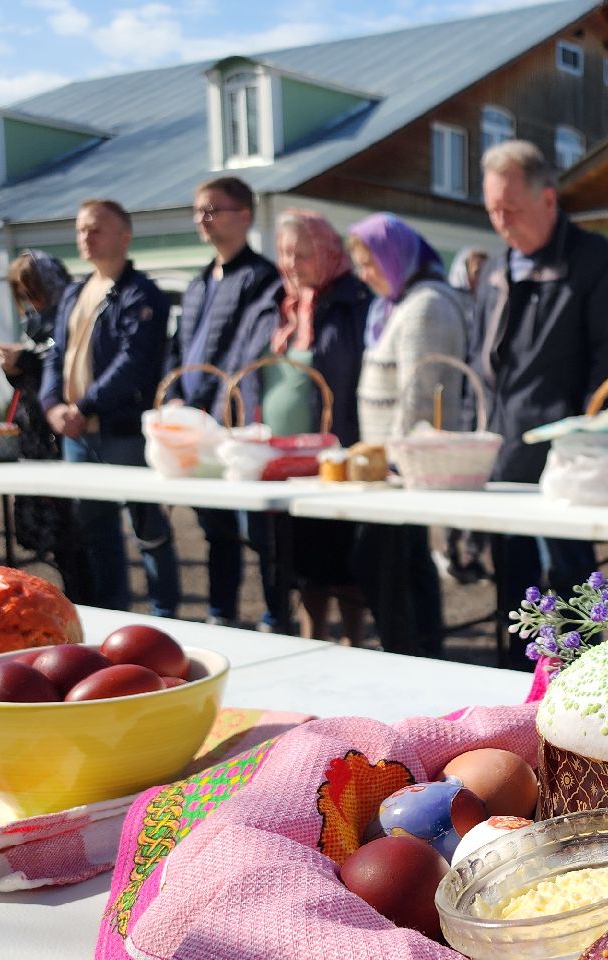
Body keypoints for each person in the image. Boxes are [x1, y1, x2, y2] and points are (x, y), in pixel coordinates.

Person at [470, 139, 608, 667]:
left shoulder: (592, 259)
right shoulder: (497, 270)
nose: (501, 222)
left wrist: (586, 441)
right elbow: (481, 364)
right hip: (504, 456)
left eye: (510, 209)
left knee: (570, 588)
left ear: (548, 198)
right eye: (492, 210)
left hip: (568, 460)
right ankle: (514, 688)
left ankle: (579, 687)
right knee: (513, 589)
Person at [232, 210, 371, 643]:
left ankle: (354, 635)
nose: (292, 263)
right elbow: (246, 365)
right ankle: (313, 632)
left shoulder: (354, 303)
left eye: (303, 253)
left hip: (336, 454)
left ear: (328, 251)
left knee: (343, 552)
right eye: (286, 254)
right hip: (281, 459)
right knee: (302, 554)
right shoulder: (274, 305)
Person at [39, 199, 181, 617]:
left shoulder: (141, 293)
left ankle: (164, 613)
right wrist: (51, 405)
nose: (86, 237)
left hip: (121, 432)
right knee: (96, 530)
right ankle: (113, 613)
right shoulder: (74, 293)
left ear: (125, 236)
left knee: (148, 528)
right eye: (82, 229)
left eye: (96, 229)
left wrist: (83, 405)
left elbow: (134, 362)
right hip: (78, 435)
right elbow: (53, 353)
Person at [347, 212, 465, 654]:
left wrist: (393, 463)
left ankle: (414, 653)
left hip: (403, 470)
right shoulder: (397, 304)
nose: (364, 274)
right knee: (399, 566)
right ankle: (414, 651)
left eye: (370, 262)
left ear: (394, 257)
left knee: (391, 566)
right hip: (390, 470)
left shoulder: (427, 306)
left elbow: (421, 394)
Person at [167, 176, 281, 629]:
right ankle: (221, 613)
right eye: (198, 210)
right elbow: (179, 347)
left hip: (235, 424)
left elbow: (245, 353)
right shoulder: (197, 282)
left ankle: (275, 614)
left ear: (245, 216)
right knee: (215, 529)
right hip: (193, 423)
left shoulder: (261, 278)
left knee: (261, 530)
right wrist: (175, 397)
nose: (203, 218)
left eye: (213, 209)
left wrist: (216, 412)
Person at [0, 251, 90, 600]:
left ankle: (85, 594)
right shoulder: (34, 323)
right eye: (22, 292)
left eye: (34, 289)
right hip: (34, 433)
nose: (31, 299)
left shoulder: (73, 316)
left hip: (61, 433)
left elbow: (66, 372)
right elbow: (33, 383)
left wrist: (27, 361)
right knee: (46, 530)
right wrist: (14, 368)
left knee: (74, 530)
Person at [439, 244, 491, 585]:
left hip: (482, 401)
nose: (480, 278)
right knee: (455, 480)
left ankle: (473, 553)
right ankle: (449, 549)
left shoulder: (490, 304)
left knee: (480, 479)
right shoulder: (452, 306)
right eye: (476, 271)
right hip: (457, 405)